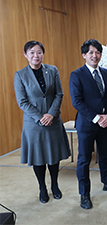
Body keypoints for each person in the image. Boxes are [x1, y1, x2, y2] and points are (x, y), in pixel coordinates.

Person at [69, 39, 107, 210]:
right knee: (84, 159)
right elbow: (77, 102)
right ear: (84, 55)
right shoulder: (77, 75)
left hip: (106, 124)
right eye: (91, 52)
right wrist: (97, 118)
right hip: (88, 124)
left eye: (97, 52)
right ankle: (84, 194)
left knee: (105, 155)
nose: (94, 56)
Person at [14, 40, 71, 204]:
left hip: (53, 120)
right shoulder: (20, 75)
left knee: (54, 156)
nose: (35, 55)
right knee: (38, 158)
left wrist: (51, 114)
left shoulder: (52, 70)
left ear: (43, 54)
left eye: (39, 52)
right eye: (32, 52)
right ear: (25, 54)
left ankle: (54, 185)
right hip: (34, 124)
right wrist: (40, 117)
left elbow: (59, 94)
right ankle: (42, 187)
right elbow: (22, 101)